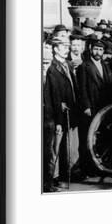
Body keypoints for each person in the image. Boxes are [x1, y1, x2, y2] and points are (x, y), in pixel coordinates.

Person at [75, 39, 112, 180]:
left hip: (103, 110)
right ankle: (86, 169)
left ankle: (99, 167)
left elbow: (110, 86)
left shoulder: (106, 66)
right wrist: (86, 106)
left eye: (101, 50)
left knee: (100, 139)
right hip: (90, 108)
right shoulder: (84, 67)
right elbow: (82, 89)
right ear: (91, 49)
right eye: (96, 49)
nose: (98, 52)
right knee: (86, 139)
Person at [43, 37, 78, 191]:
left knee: (63, 148)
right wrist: (57, 119)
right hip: (57, 115)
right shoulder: (53, 68)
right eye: (63, 46)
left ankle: (61, 177)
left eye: (67, 46)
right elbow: (54, 96)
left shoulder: (67, 65)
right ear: (55, 48)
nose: (67, 48)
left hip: (67, 113)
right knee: (54, 150)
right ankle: (51, 180)